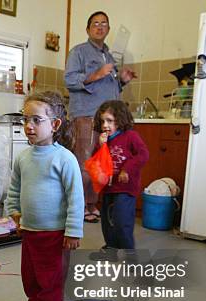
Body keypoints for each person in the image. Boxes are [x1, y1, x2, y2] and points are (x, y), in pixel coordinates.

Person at [5, 91, 84, 301]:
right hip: (29, 230)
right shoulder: (23, 158)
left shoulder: (64, 158)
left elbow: (76, 197)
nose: (29, 126)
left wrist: (73, 231)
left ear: (55, 125)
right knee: (30, 275)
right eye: (25, 119)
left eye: (36, 120)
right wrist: (14, 212)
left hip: (55, 233)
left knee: (51, 279)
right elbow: (14, 188)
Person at [65, 11, 136, 223]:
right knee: (84, 162)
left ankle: (92, 203)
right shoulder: (78, 52)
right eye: (95, 23)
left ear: (108, 30)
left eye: (104, 23)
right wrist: (95, 74)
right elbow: (69, 80)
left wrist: (121, 81)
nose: (100, 27)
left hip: (107, 118)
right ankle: (81, 206)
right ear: (88, 29)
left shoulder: (109, 56)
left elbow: (108, 87)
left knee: (101, 163)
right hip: (86, 115)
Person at [93, 100, 148, 253]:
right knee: (107, 220)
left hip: (125, 188)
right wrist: (101, 145)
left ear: (120, 119)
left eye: (110, 121)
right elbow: (96, 160)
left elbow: (143, 155)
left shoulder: (130, 136)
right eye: (102, 121)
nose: (105, 125)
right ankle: (110, 247)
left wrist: (127, 170)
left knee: (122, 220)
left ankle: (129, 251)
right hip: (108, 188)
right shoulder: (103, 140)